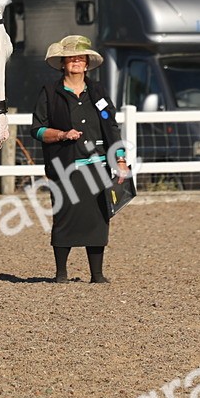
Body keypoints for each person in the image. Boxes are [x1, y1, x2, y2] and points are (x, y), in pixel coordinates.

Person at [31, 35, 129, 283]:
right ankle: (60, 273)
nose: (75, 61)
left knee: (99, 218)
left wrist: (119, 158)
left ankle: (97, 274)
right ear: (63, 63)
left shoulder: (98, 92)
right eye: (70, 58)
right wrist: (62, 135)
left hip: (97, 167)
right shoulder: (49, 93)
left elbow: (111, 126)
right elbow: (38, 130)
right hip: (65, 167)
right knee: (64, 217)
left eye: (80, 58)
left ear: (87, 64)